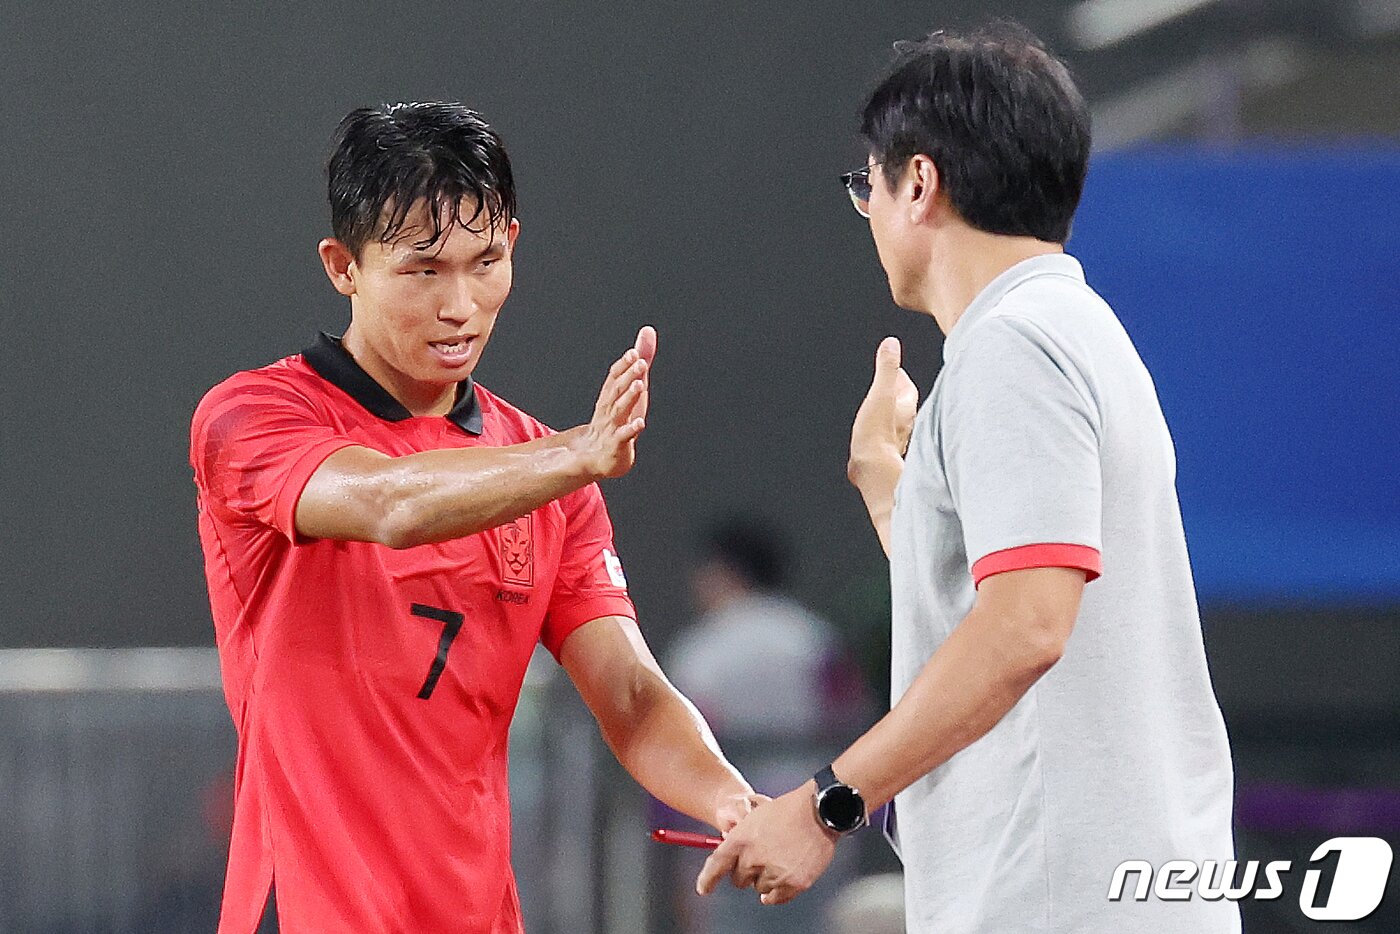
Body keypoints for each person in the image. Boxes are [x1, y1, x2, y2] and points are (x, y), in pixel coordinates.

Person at [696, 23, 1239, 934]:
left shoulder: (1010, 350)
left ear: (918, 182)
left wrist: (829, 803)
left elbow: (1027, 624)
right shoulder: (1075, 328)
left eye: (864, 182)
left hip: (1058, 901)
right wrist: (890, 492)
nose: (865, 208)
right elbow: (998, 599)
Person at [190, 102, 758, 934]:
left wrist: (735, 802)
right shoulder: (252, 416)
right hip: (309, 910)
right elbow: (390, 502)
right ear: (343, 265)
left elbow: (631, 696)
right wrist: (575, 457)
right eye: (424, 270)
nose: (461, 304)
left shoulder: (543, 467)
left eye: (485, 262)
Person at [666, 519, 865, 934]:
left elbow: (677, 744)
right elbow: (853, 718)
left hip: (725, 817)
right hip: (819, 807)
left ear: (723, 572)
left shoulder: (701, 647)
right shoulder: (814, 637)